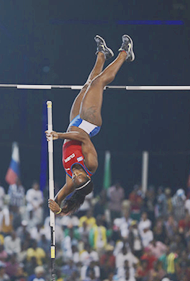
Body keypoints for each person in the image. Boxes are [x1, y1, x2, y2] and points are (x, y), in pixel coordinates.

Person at [47, 34, 135, 215]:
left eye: (76, 177)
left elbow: (58, 200)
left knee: (88, 86)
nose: (76, 174)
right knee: (98, 82)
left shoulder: (71, 182)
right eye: (81, 176)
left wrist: (57, 210)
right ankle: (125, 53)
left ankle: (102, 54)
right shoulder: (91, 164)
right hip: (89, 124)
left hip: (74, 123)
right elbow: (82, 137)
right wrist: (59, 135)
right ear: (88, 175)